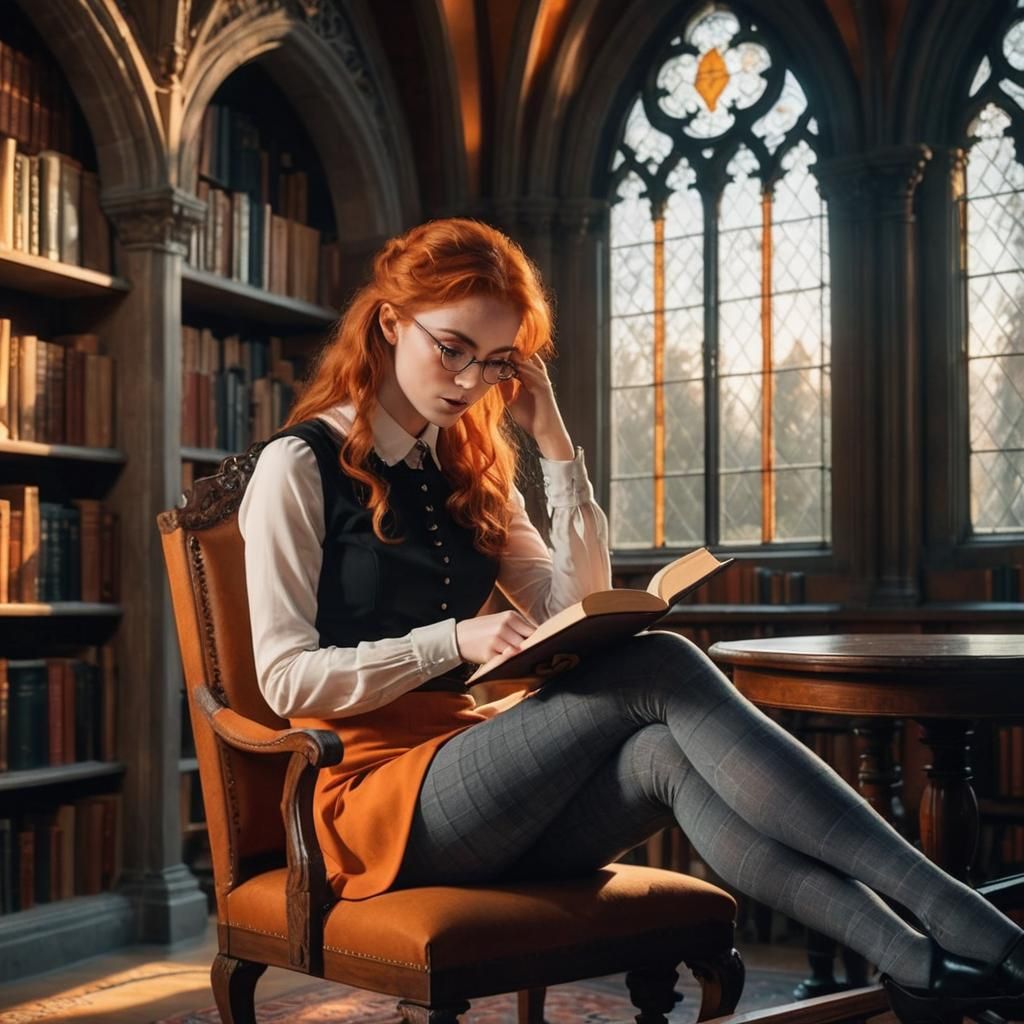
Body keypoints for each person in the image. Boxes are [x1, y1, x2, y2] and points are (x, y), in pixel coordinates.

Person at [238, 217, 1024, 1024]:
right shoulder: (298, 465)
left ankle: (921, 966)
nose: (470, 381)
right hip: (370, 804)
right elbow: (284, 676)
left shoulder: (469, 465)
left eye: (495, 361)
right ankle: (981, 928)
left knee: (662, 757)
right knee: (662, 663)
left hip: (470, 775)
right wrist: (451, 640)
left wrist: (555, 445)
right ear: (391, 321)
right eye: (452, 348)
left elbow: (568, 607)